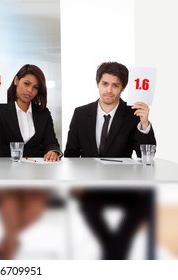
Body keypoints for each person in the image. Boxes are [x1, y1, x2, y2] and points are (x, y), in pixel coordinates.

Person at [64, 61, 156, 259]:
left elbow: (145, 155)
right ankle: (115, 253)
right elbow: (71, 153)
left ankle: (112, 254)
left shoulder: (133, 115)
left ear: (122, 88)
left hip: (122, 185)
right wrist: (77, 181)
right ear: (98, 84)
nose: (109, 90)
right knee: (88, 206)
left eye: (115, 85)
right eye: (105, 84)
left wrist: (145, 123)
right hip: (90, 186)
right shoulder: (81, 114)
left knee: (144, 200)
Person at [0, 64, 62, 259]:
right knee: (10, 202)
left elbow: (52, 142)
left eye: (35, 87)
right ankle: (10, 247)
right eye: (26, 84)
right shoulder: (0, 108)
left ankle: (7, 242)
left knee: (36, 206)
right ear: (16, 81)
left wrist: (52, 151)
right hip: (5, 173)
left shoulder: (43, 113)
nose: (29, 91)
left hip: (35, 174)